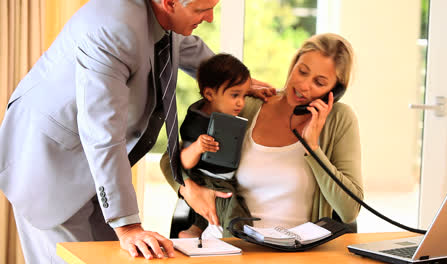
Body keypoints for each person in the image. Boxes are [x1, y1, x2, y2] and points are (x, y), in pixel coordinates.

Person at [0, 0, 273, 262]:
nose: (211, 18)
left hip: (97, 173)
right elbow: (102, 133)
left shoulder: (164, 18)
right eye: (203, 10)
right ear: (169, 3)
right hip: (49, 162)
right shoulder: (112, 29)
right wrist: (129, 226)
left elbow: (191, 49)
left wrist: (239, 85)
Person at [162, 33, 364, 238]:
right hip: (232, 246)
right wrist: (189, 188)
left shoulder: (339, 119)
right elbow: (170, 159)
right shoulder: (247, 105)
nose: (304, 85)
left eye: (319, 83)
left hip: (297, 253)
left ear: (334, 91)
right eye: (302, 71)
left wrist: (313, 148)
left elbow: (349, 211)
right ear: (294, 64)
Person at [178, 53, 255, 238]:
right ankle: (237, 241)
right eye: (235, 95)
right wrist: (197, 147)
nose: (241, 103)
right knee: (235, 212)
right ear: (209, 94)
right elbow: (184, 161)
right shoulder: (196, 123)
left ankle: (194, 231)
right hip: (209, 179)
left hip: (223, 177)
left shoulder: (221, 114)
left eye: (245, 95)